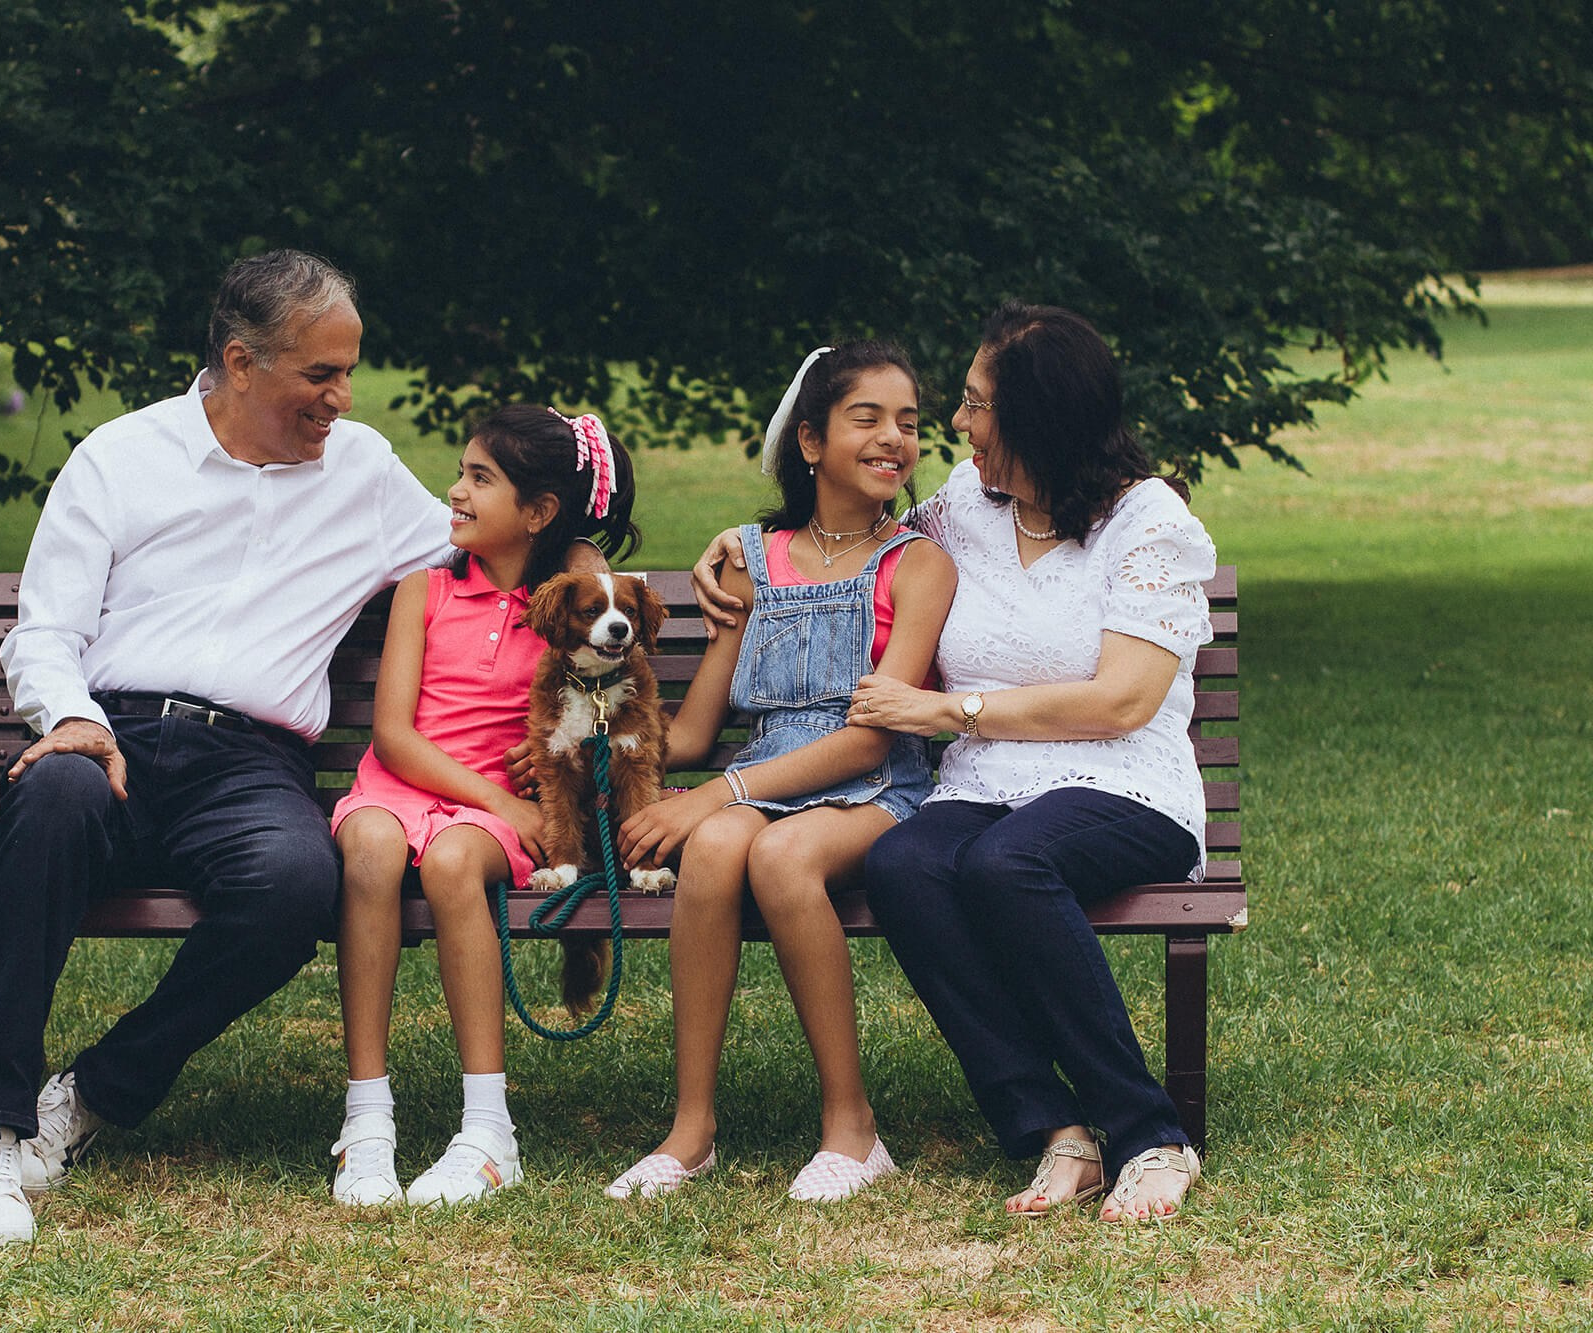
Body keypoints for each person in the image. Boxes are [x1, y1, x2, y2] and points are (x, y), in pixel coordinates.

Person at [0, 251, 454, 1245]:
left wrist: (588, 548)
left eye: (348, 372)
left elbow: (486, 544)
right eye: (320, 374)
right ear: (242, 362)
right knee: (52, 803)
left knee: (299, 880)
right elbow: (43, 627)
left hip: (250, 761)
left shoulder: (363, 469)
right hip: (112, 734)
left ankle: (90, 1091)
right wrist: (70, 719)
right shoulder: (122, 456)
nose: (340, 399)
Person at [695, 301, 1218, 1221]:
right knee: (907, 863)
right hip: (989, 783)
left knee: (1009, 861)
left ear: (1037, 421)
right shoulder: (964, 508)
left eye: (977, 406)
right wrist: (737, 543)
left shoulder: (1148, 522)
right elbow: (850, 526)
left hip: (1121, 779)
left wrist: (951, 708)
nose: (957, 424)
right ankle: (1052, 1129)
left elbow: (1124, 698)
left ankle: (1147, 1132)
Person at [603, 342, 957, 1203]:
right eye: (866, 418)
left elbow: (873, 738)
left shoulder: (917, 564)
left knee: (779, 854)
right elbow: (692, 732)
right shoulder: (748, 560)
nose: (893, 439)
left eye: (907, 423)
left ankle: (853, 1127)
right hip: (766, 775)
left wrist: (719, 795)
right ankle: (692, 1131)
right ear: (809, 442)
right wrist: (605, 733)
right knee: (721, 849)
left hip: (877, 785)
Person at [328, 406, 641, 1208]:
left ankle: (487, 1129)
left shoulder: (560, 602)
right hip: (415, 787)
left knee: (453, 858)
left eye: (480, 479)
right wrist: (503, 792)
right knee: (367, 845)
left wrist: (538, 765)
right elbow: (394, 736)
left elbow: (596, 699)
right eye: (462, 472)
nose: (455, 491)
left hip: (498, 817)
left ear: (536, 512)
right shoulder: (423, 589)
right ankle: (366, 1122)